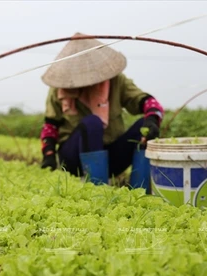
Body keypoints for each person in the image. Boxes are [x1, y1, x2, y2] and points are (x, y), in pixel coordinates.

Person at [39, 32, 165, 181]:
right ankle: (96, 187)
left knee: (143, 127)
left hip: (112, 156)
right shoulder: (59, 89)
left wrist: (152, 119)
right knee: (92, 123)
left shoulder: (116, 81)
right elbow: (50, 126)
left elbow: (146, 101)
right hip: (74, 159)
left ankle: (140, 190)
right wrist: (48, 155)